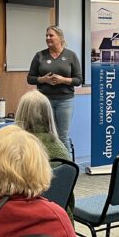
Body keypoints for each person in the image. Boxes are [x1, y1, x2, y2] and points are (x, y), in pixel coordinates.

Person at [0, 90, 73, 220]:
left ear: (20, 113)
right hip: (54, 218)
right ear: (49, 114)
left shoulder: (8, 146)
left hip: (11, 217)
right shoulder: (62, 150)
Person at [27, 26, 82, 154]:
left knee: (62, 136)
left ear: (60, 38)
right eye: (46, 35)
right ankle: (46, 167)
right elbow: (30, 78)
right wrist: (43, 80)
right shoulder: (39, 55)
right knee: (46, 135)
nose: (47, 38)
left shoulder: (71, 55)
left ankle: (67, 167)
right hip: (44, 101)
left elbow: (78, 80)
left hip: (65, 101)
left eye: (51, 35)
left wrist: (63, 80)